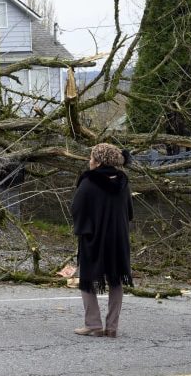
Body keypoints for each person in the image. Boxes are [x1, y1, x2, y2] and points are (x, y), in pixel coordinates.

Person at [71, 143, 133, 338]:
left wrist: (84, 229)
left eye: (91, 158)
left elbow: (76, 209)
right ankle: (112, 326)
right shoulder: (123, 182)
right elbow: (129, 212)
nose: (89, 161)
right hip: (118, 238)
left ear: (98, 162)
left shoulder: (88, 182)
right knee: (115, 279)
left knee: (87, 279)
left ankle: (93, 324)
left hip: (94, 238)